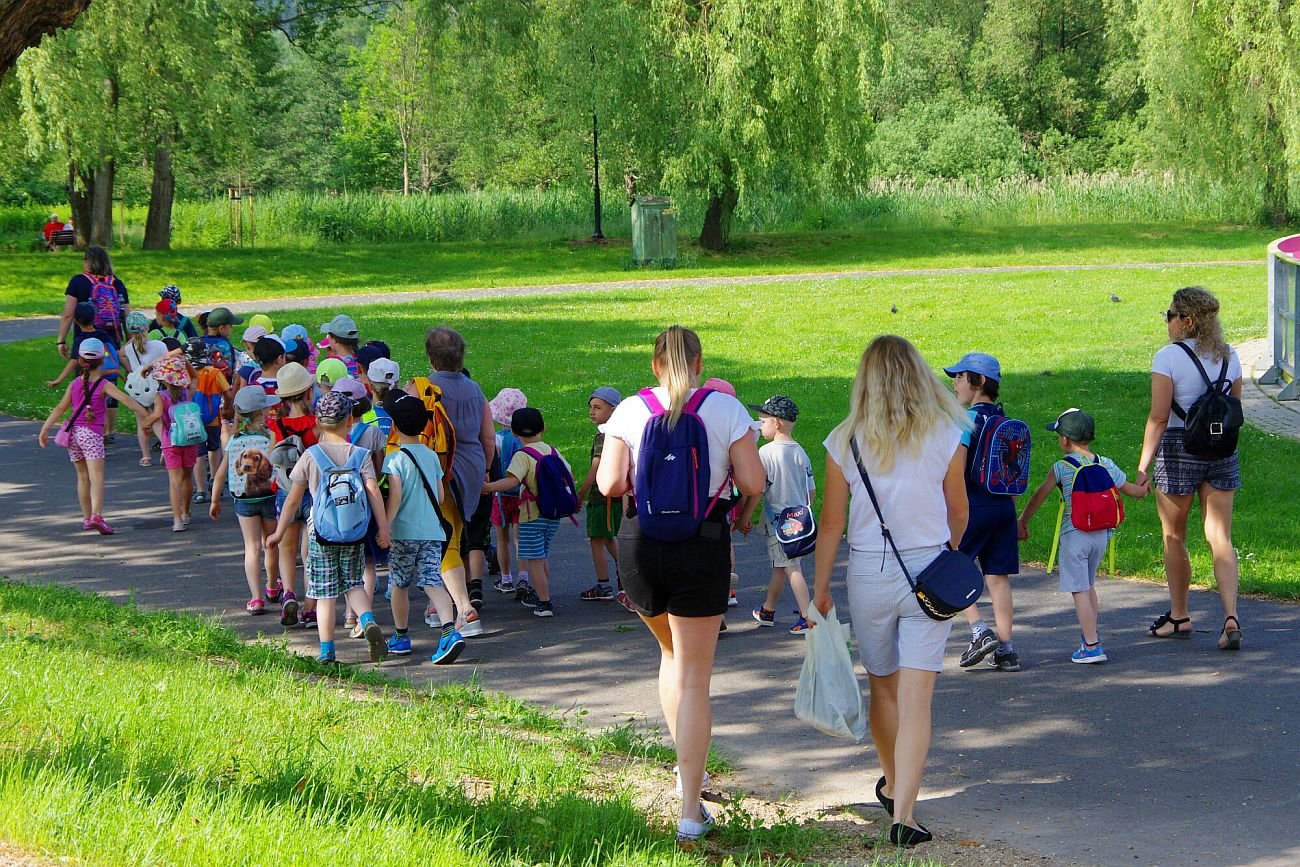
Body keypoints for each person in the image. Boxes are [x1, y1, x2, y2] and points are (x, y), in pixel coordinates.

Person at [597, 325, 764, 842]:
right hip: (701, 543)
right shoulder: (725, 409)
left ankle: (683, 768)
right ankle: (691, 808)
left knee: (670, 655)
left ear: (654, 365)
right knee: (694, 676)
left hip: (640, 546)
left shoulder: (630, 410)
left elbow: (609, 484)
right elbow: (753, 482)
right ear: (698, 363)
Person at [812, 334, 969, 848]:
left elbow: (831, 524)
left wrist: (820, 588)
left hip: (869, 573)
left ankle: (894, 782)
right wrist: (949, 552)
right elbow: (958, 510)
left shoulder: (844, 439)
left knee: (883, 687)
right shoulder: (946, 432)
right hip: (930, 569)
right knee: (917, 699)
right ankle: (905, 814)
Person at [1136, 286, 1243, 650]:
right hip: (1221, 450)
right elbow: (1234, 410)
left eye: (1170, 315)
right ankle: (1231, 616)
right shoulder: (1230, 355)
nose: (1166, 322)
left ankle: (1179, 615)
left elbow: (1158, 417)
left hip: (1178, 449)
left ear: (1187, 320)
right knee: (1220, 536)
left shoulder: (1168, 357)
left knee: (1174, 536)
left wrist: (1143, 467)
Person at [268, 391, 391, 665]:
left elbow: (292, 500)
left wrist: (279, 532)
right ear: (350, 421)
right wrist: (383, 528)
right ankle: (367, 620)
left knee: (325, 594)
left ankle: (327, 652)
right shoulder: (360, 455)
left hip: (321, 535)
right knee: (353, 583)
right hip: (354, 531)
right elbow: (373, 492)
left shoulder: (311, 455)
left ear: (317, 422)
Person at [1018, 408, 1147, 663]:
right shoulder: (1105, 463)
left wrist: (1022, 520)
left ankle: (1091, 645)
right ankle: (1090, 636)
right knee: (1088, 587)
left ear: (1065, 440)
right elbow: (1133, 491)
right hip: (1101, 535)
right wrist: (1144, 486)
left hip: (1074, 535)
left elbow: (1039, 496)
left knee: (1079, 591)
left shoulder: (1061, 467)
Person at [408, 326, 495, 639]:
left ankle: (463, 607)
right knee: (453, 534)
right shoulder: (475, 389)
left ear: (431, 357)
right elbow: (488, 436)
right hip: (471, 468)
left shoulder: (422, 388)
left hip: (438, 470)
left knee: (442, 540)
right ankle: (438, 604)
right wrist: (485, 469)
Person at [943, 353, 1023, 672]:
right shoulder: (1005, 422)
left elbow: (957, 470)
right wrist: (1014, 516)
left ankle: (979, 630)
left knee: (951, 566)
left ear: (978, 382)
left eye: (960, 377)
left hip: (973, 505)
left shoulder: (965, 421)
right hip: (1003, 507)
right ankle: (1007, 649)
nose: (955, 383)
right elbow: (1012, 472)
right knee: (998, 577)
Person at [381, 392, 463, 664]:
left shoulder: (394, 459)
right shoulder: (430, 456)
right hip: (431, 531)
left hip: (404, 532)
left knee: (399, 584)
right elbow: (439, 496)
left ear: (394, 426)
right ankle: (449, 632)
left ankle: (401, 636)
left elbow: (395, 498)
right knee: (432, 581)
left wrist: (385, 526)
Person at [37, 338, 147, 535]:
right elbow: (126, 400)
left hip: (73, 434)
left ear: (80, 361)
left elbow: (60, 408)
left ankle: (87, 518)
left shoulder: (74, 384)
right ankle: (97, 516)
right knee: (97, 477)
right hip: (91, 434)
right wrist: (147, 416)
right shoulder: (104, 385)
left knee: (82, 478)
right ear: (102, 361)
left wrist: (45, 429)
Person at [482, 407, 574, 617]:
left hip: (531, 515)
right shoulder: (552, 451)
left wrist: (487, 487)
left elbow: (511, 482)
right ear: (543, 428)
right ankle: (544, 593)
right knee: (542, 556)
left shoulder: (522, 455)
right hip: (552, 514)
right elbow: (569, 475)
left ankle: (544, 602)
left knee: (534, 560)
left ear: (514, 432)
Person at [741, 394, 817, 635]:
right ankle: (768, 609)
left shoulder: (766, 453)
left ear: (777, 423)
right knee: (781, 565)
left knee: (792, 568)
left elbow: (757, 490)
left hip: (779, 523)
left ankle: (808, 617)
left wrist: (744, 518)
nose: (759, 425)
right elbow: (811, 492)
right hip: (799, 522)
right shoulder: (800, 452)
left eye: (763, 421)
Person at [209, 387, 282, 614]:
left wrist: (214, 500)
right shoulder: (270, 436)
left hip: (244, 499)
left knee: (251, 547)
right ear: (262, 412)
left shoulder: (234, 441)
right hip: (270, 496)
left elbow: (220, 473)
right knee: (271, 543)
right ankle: (272, 587)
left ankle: (256, 598)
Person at [267, 362, 318, 627]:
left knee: (286, 548)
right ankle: (310, 608)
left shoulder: (277, 426)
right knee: (309, 553)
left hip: (285, 494)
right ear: (309, 392)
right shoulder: (316, 425)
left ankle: (288, 593)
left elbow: (271, 458)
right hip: (311, 492)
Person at [47, 302, 124, 444]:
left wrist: (59, 379)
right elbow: (116, 353)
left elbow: (73, 362)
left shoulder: (80, 339)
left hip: (89, 379)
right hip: (108, 375)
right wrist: (129, 370)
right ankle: (105, 434)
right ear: (94, 317)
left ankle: (90, 434)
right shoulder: (104, 335)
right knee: (107, 406)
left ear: (76, 321)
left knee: (87, 405)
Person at [577, 386, 626, 604]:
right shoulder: (619, 432)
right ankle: (626, 574)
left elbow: (596, 466)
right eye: (591, 407)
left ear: (613, 410)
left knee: (597, 540)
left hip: (600, 497)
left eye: (598, 407)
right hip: (615, 494)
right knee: (607, 537)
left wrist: (581, 493)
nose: (592, 412)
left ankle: (604, 585)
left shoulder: (604, 436)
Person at [144, 354, 201, 532]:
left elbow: (156, 415)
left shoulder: (161, 396)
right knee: (187, 477)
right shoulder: (187, 393)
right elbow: (195, 377)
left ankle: (177, 520)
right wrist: (186, 363)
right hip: (190, 439)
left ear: (163, 379)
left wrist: (146, 424)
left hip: (171, 441)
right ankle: (186, 513)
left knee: (174, 481)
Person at [487, 387, 527, 595]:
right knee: (521, 539)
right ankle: (524, 578)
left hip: (500, 494)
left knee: (502, 539)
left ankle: (506, 578)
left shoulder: (496, 439)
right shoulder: (523, 440)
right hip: (522, 494)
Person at [57, 246, 129, 360]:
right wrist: (130, 341)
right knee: (109, 367)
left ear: (88, 262)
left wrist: (61, 341)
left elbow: (68, 314)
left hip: (85, 340)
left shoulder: (78, 281)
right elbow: (126, 315)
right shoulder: (117, 283)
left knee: (85, 368)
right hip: (111, 340)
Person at [120, 311, 168, 466]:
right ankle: (166, 448)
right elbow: (167, 363)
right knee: (158, 420)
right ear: (147, 327)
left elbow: (120, 352)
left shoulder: (129, 349)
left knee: (141, 422)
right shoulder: (159, 345)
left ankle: (146, 457)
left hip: (138, 389)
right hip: (155, 388)